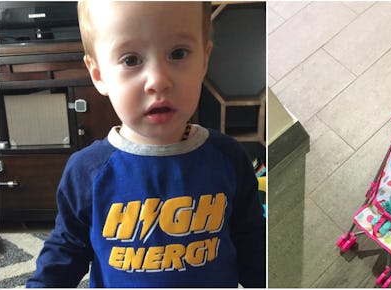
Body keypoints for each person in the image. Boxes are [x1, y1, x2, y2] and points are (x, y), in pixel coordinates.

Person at [26, 1, 265, 287]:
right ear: (99, 74)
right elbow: (66, 249)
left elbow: (253, 245)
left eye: (178, 54)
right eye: (131, 60)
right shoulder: (87, 170)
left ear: (204, 60)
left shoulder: (228, 157)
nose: (158, 81)